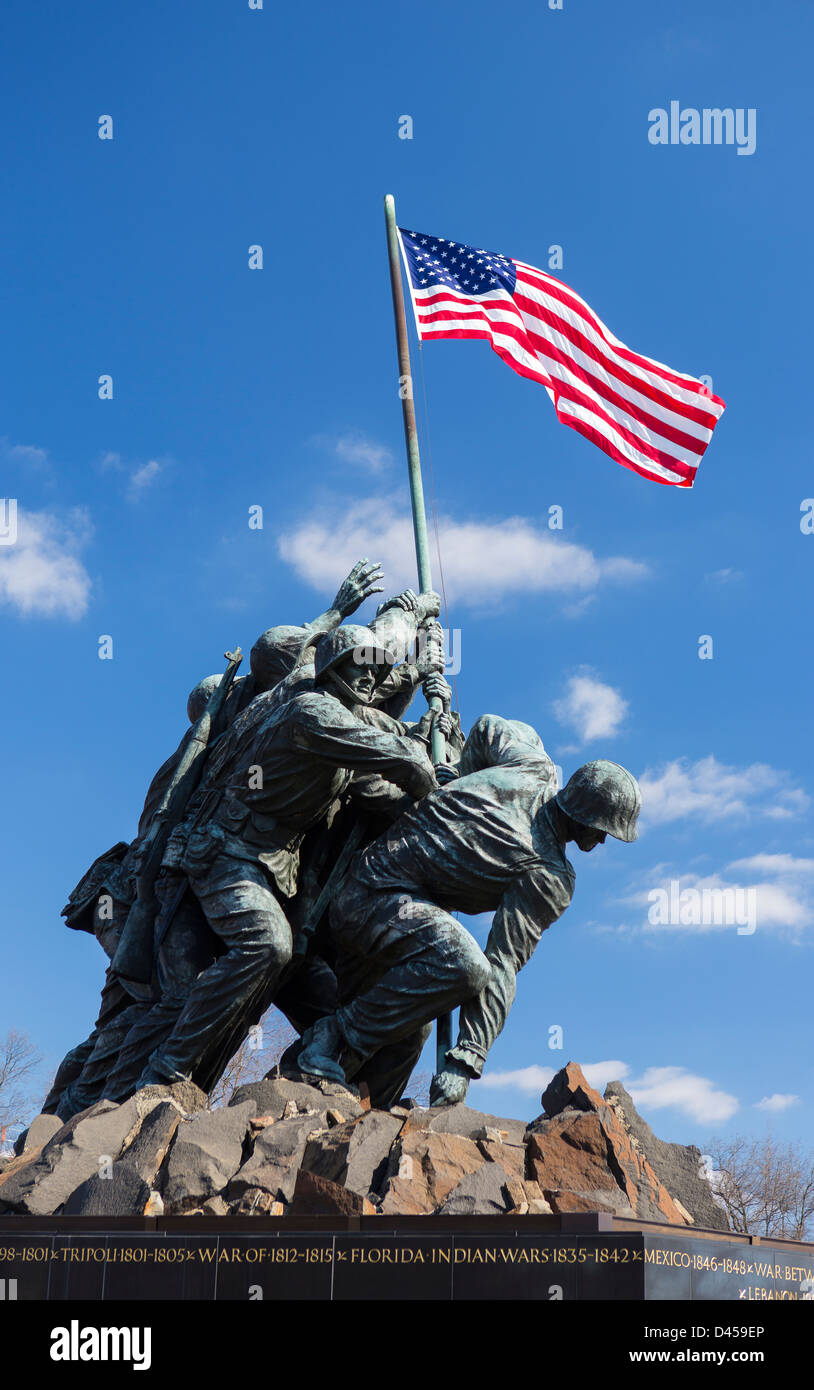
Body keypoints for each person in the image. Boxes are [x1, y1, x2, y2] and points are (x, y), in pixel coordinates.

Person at [132, 624, 438, 1093]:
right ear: (334, 664)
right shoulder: (311, 711)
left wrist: (443, 773)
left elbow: (383, 794)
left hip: (279, 880)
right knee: (266, 944)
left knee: (333, 1001)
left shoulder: (343, 736)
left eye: (378, 669)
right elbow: (397, 758)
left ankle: (330, 1091)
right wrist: (423, 760)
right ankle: (166, 1069)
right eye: (361, 663)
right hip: (228, 853)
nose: (370, 677)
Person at [298, 725, 641, 1108]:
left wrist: (463, 772)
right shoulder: (548, 874)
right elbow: (501, 962)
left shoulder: (532, 762)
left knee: (410, 1034)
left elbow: (487, 728)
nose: (604, 840)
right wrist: (467, 1057)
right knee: (464, 965)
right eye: (603, 829)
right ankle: (332, 1034)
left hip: (389, 913)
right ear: (584, 815)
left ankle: (355, 1114)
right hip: (372, 896)